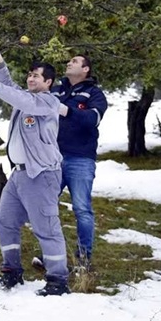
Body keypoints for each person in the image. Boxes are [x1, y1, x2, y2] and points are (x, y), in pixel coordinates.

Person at [0, 45, 70, 297]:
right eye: (29, 74)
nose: (31, 78)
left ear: (48, 82)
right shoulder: (26, 100)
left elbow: (16, 96)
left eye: (36, 75)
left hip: (42, 174)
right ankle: (12, 271)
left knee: (46, 227)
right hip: (19, 175)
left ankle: (58, 280)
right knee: (4, 221)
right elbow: (12, 89)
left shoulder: (48, 102)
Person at [50, 55, 108, 269]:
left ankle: (83, 257)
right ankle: (50, 254)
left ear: (85, 69)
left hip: (80, 158)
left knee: (82, 208)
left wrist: (67, 111)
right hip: (52, 158)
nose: (68, 63)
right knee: (46, 206)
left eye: (74, 61)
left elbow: (92, 119)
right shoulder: (56, 90)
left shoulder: (95, 94)